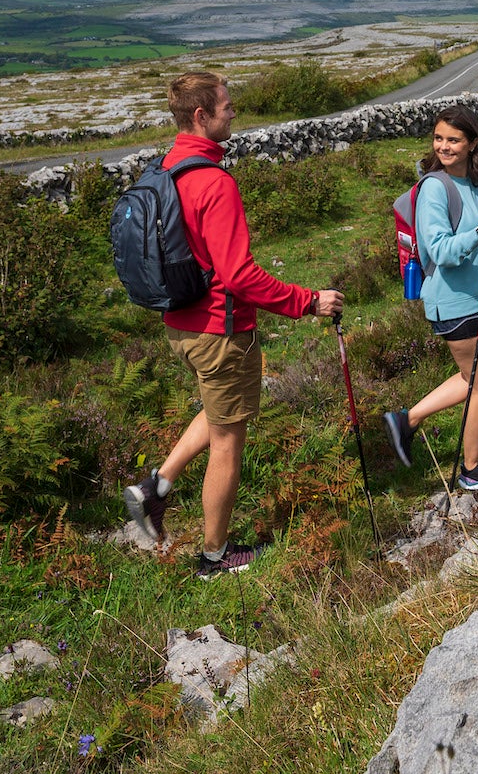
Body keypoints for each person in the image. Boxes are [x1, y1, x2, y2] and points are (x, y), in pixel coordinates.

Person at [123, 72, 344, 578]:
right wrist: (307, 302)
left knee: (216, 410)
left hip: (180, 325)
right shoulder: (214, 182)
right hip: (220, 332)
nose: (234, 112)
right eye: (226, 106)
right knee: (228, 439)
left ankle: (155, 488)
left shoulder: (167, 168)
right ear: (200, 116)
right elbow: (239, 276)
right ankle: (214, 558)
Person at [382, 105, 478, 491]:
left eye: (453, 139)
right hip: (454, 300)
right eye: (439, 138)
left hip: (477, 297)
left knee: (476, 378)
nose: (444, 146)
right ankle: (472, 470)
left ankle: (406, 420)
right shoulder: (435, 187)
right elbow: (440, 251)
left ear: (472, 144)